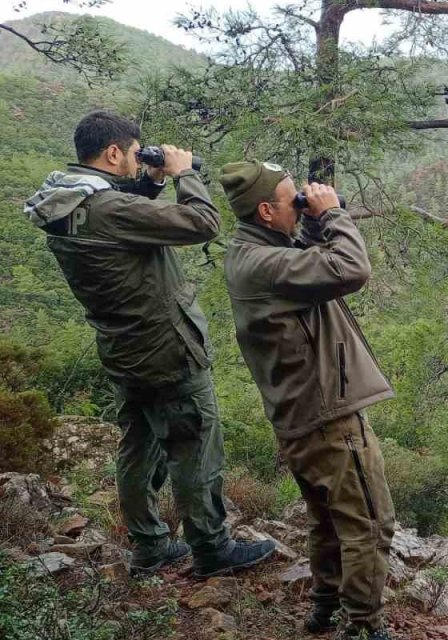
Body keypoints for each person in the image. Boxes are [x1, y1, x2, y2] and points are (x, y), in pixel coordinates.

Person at [22, 111, 276, 577]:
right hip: (167, 347)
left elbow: (120, 219)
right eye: (135, 153)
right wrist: (183, 174)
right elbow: (202, 223)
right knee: (194, 444)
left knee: (138, 446)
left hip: (123, 348)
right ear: (112, 152)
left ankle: (150, 545)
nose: (139, 159)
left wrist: (151, 183)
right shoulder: (110, 209)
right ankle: (212, 549)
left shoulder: (65, 202)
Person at [218, 161, 396, 640]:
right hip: (328, 418)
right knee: (369, 524)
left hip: (299, 414)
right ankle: (363, 626)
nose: (300, 203)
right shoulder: (267, 264)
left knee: (329, 522)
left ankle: (325, 609)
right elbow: (351, 268)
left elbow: (311, 266)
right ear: (265, 211)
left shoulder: (251, 252)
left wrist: (312, 222)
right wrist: (333, 214)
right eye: (291, 199)